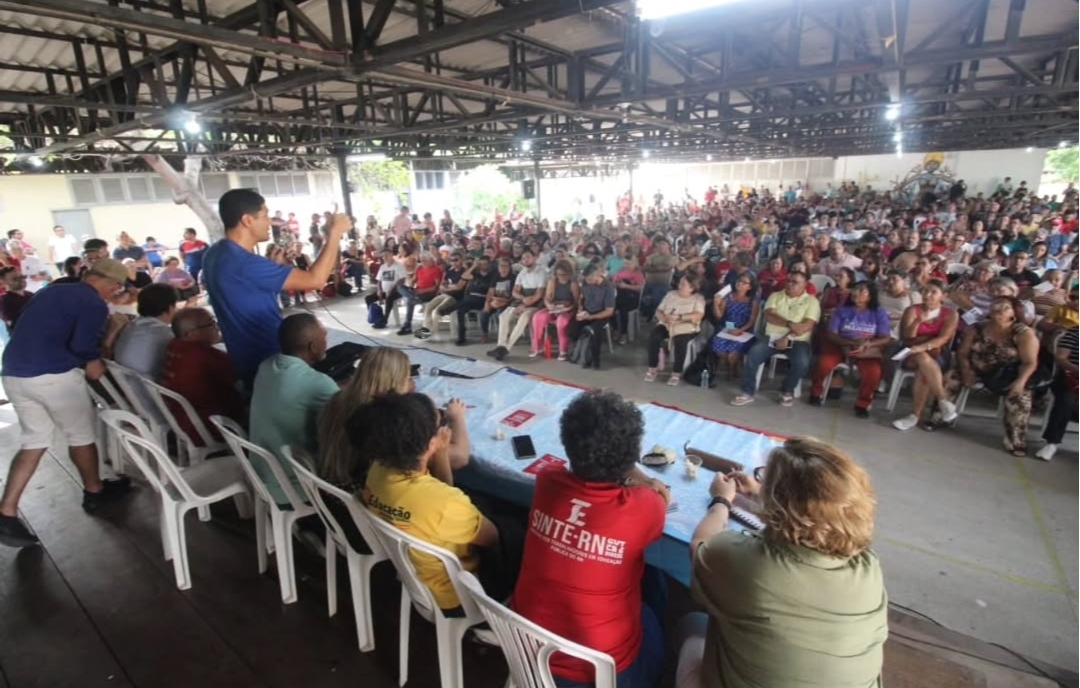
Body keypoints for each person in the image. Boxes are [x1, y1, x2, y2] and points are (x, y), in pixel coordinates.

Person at [677, 437, 887, 688]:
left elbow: (700, 546)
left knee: (692, 624)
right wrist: (762, 496)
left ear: (779, 498)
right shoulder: (868, 567)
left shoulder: (747, 562)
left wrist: (721, 501)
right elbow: (816, 522)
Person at [512, 391, 668, 688]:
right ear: (632, 454)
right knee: (655, 591)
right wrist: (644, 478)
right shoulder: (645, 507)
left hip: (527, 653)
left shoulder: (547, 481)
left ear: (566, 443)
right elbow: (656, 496)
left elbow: (562, 468)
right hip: (603, 674)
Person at [0, 258, 133, 548]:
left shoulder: (51, 290)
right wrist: (101, 349)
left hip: (14, 373)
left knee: (34, 440)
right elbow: (82, 347)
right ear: (112, 285)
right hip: (52, 375)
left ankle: (7, 510)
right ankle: (94, 492)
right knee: (81, 435)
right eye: (116, 289)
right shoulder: (94, 303)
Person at [358, 392, 521, 613]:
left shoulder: (378, 469)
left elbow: (438, 495)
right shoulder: (444, 504)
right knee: (517, 526)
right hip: (460, 596)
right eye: (440, 423)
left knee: (482, 504)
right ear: (431, 442)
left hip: (415, 574)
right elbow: (493, 538)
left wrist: (441, 453)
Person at [202, 189, 348, 387]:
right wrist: (334, 234)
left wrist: (272, 267)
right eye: (264, 216)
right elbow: (316, 280)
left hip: (243, 359)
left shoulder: (214, 254)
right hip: (270, 362)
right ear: (247, 220)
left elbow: (244, 291)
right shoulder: (246, 263)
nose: (270, 222)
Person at [318, 347, 470, 491]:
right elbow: (460, 458)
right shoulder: (389, 421)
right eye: (407, 377)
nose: (411, 382)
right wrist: (457, 418)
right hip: (371, 496)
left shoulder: (338, 399)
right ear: (395, 383)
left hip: (334, 487)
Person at [249, 313, 339, 506]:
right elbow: (352, 413)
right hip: (294, 487)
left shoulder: (266, 366)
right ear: (312, 346)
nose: (326, 341)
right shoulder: (320, 384)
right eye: (324, 336)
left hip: (260, 475)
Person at [946, 297, 1041, 456]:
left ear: (1013, 313)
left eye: (1004, 307)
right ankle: (940, 417)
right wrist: (966, 370)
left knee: (1021, 396)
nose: (998, 309)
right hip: (976, 367)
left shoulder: (1023, 333)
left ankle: (1015, 440)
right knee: (951, 377)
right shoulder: (975, 328)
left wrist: (1020, 381)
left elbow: (1030, 362)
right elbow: (962, 353)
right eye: (995, 306)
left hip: (1006, 373)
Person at [732, 271, 820, 407]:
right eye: (788, 281)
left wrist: (787, 337)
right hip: (771, 337)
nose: (790, 284)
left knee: (802, 363)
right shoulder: (776, 296)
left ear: (805, 285)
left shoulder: (812, 301)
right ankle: (748, 392)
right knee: (753, 354)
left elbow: (805, 327)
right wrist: (791, 324)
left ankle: (786, 390)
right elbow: (769, 316)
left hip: (798, 340)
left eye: (795, 282)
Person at [159, 308, 246, 441]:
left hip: (182, 420)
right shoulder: (203, 355)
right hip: (211, 425)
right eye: (211, 324)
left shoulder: (174, 345)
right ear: (189, 334)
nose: (216, 328)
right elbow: (243, 380)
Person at [810, 281, 893, 417]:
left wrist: (867, 344)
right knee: (823, 364)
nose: (855, 293)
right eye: (854, 290)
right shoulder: (842, 310)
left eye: (861, 290)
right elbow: (832, 334)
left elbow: (886, 338)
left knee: (873, 372)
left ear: (870, 295)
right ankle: (816, 393)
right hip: (840, 344)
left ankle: (863, 404)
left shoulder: (879, 312)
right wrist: (848, 343)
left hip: (865, 348)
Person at [891, 280, 960, 431]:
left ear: (943, 296)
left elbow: (944, 338)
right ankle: (943, 401)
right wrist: (917, 321)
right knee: (922, 359)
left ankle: (915, 416)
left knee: (923, 369)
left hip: (937, 352)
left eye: (933, 292)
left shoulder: (950, 314)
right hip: (910, 351)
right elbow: (907, 338)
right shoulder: (912, 310)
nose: (927, 295)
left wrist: (923, 346)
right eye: (925, 291)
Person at [644, 274, 706, 386]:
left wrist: (679, 317)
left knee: (680, 341)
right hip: (668, 324)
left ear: (692, 288)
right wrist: (664, 319)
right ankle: (653, 368)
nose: (679, 285)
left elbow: (698, 315)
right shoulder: (671, 294)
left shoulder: (698, 298)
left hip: (686, 327)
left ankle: (676, 373)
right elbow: (659, 310)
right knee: (654, 337)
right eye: (680, 282)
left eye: (683, 284)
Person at [488, 249, 546, 361]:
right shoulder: (522, 272)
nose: (525, 260)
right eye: (523, 258)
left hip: (536, 303)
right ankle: (500, 346)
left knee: (524, 318)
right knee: (503, 316)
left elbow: (539, 294)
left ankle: (506, 348)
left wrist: (525, 305)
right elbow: (515, 292)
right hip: (522, 300)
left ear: (535, 258)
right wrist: (523, 299)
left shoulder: (542, 272)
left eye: (528, 257)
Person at [112, 283, 179, 380]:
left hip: (125, 386)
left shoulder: (131, 326)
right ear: (170, 308)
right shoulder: (166, 334)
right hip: (150, 390)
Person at [1035, 326, 1078, 461]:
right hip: (1070, 377)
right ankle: (1052, 443)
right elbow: (1060, 358)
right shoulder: (1074, 333)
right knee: (1066, 401)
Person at [709, 272, 760, 379]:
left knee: (733, 352)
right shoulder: (728, 297)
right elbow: (719, 316)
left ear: (749, 287)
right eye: (739, 281)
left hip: (744, 331)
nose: (740, 284)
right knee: (718, 347)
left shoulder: (752, 301)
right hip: (728, 328)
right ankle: (731, 366)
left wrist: (740, 330)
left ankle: (732, 369)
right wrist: (715, 304)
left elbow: (752, 320)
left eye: (744, 282)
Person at [568, 263, 616, 369]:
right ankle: (578, 353)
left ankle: (595, 359)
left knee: (594, 332)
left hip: (601, 314)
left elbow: (609, 311)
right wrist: (580, 309)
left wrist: (591, 317)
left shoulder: (608, 287)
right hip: (587, 311)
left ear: (598, 275)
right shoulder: (586, 282)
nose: (588, 282)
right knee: (572, 329)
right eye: (587, 279)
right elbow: (582, 297)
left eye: (590, 279)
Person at [530, 259, 580, 360]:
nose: (561, 277)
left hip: (568, 309)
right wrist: (549, 305)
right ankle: (537, 346)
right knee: (537, 317)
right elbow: (547, 298)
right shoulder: (552, 282)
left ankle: (563, 350)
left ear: (569, 273)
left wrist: (567, 308)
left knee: (561, 322)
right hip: (554, 307)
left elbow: (576, 302)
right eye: (559, 274)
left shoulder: (573, 284)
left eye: (564, 274)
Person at [418, 252, 467, 340]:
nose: (454, 262)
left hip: (456, 298)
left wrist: (448, 287)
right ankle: (426, 330)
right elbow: (441, 286)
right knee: (428, 307)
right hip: (445, 294)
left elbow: (459, 287)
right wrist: (450, 287)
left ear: (461, 260)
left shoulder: (464, 272)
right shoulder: (450, 272)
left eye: (456, 260)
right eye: (452, 260)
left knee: (436, 311)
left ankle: (431, 332)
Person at [395, 252, 443, 336]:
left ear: (431, 260)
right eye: (422, 260)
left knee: (410, 301)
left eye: (425, 260)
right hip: (417, 291)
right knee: (400, 287)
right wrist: (411, 283)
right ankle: (413, 297)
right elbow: (414, 280)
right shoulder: (420, 268)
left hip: (429, 293)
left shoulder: (436, 269)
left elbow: (436, 287)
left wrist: (422, 291)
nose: (422, 262)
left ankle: (407, 325)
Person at [453, 254, 496, 346]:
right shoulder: (475, 273)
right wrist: (473, 266)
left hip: (483, 299)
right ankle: (461, 337)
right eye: (481, 264)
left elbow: (491, 292)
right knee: (460, 311)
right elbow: (464, 276)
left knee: (460, 305)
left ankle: (449, 308)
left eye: (485, 264)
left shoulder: (493, 275)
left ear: (489, 264)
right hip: (471, 298)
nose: (483, 266)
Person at [613, 258, 645, 344]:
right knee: (610, 308)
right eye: (625, 263)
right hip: (620, 296)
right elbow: (614, 282)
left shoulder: (638, 274)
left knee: (623, 310)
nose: (626, 266)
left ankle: (624, 334)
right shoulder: (620, 271)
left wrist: (626, 286)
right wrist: (618, 283)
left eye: (628, 264)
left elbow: (639, 288)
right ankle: (616, 329)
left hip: (632, 297)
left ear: (634, 263)